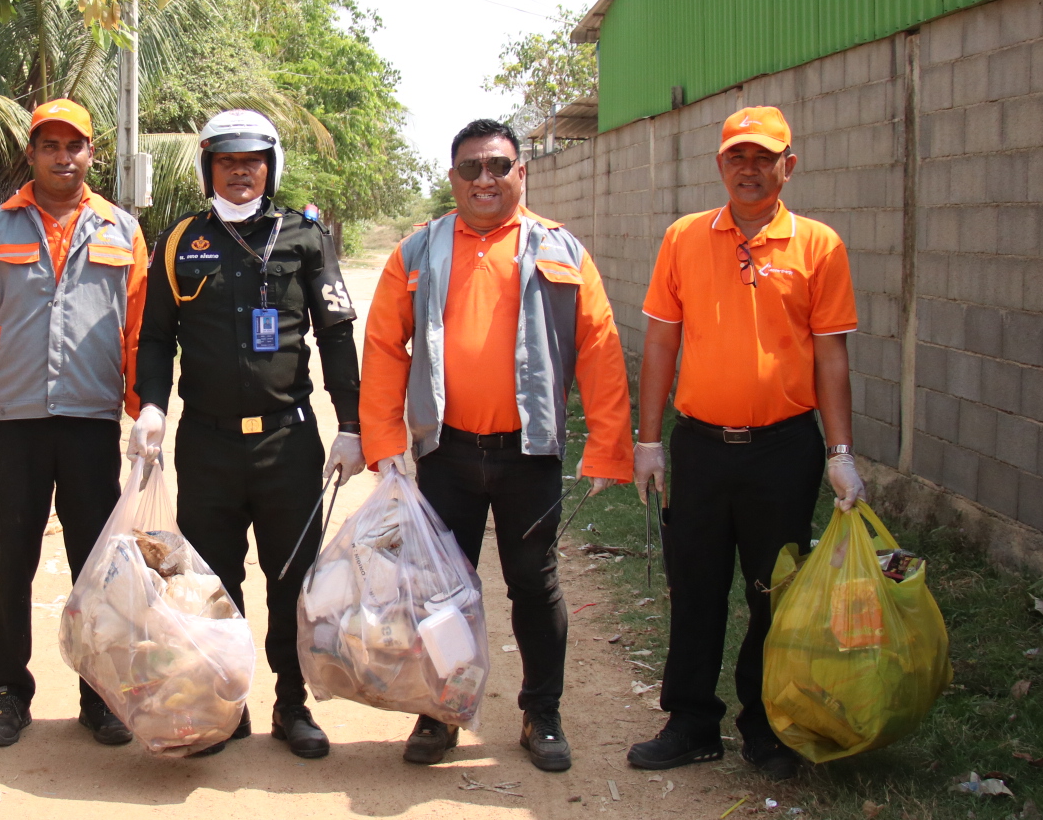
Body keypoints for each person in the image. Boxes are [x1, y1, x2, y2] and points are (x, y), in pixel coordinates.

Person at [360, 118, 633, 772]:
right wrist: (385, 439)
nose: (485, 179)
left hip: (529, 453)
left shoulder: (560, 249)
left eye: (498, 166)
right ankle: (441, 711)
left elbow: (599, 346)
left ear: (521, 172)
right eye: (471, 168)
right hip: (447, 452)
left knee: (533, 583)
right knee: (441, 589)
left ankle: (542, 714)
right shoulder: (418, 251)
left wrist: (608, 445)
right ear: (454, 178)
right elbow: (384, 344)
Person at [622, 105, 864, 782]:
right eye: (738, 157)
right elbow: (661, 343)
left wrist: (841, 454)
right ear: (720, 165)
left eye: (764, 157)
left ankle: (768, 726)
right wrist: (649, 442)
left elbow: (832, 357)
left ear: (790, 165)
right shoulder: (684, 238)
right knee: (695, 585)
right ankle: (691, 723)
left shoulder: (819, 246)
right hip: (701, 447)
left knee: (774, 592)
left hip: (783, 452)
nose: (749, 169)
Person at [130, 110, 364, 759]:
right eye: (227, 161)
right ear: (208, 167)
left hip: (288, 444)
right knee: (213, 581)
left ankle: (292, 704)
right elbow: (156, 338)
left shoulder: (305, 238)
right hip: (207, 445)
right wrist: (152, 407)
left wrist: (351, 424)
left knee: (292, 579)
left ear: (271, 166)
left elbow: (336, 333)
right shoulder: (180, 241)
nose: (240, 171)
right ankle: (224, 703)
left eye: (252, 160)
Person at [0, 99, 149, 750]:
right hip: (16, 425)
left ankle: (100, 697)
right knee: (11, 561)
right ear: (31, 154)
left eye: (73, 145)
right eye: (49, 146)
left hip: (90, 424)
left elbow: (138, 334)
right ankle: (8, 693)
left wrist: (145, 415)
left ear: (91, 153)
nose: (62, 157)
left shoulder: (122, 231)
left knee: (97, 566)